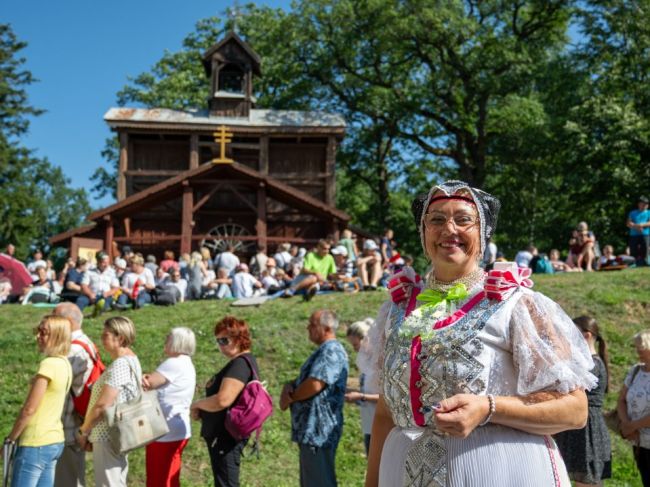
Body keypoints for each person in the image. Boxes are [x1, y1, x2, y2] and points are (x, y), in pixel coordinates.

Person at [366, 180, 596, 487]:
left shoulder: (517, 305)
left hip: (497, 470)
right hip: (403, 473)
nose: (449, 229)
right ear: (423, 233)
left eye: (463, 220)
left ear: (483, 232)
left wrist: (489, 408)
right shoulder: (396, 311)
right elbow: (386, 412)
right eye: (436, 220)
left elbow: (575, 410)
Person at [280, 310, 349, 487]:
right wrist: (291, 385)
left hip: (318, 430)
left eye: (312, 324)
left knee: (319, 481)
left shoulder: (331, 350)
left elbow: (316, 384)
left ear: (326, 328)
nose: (308, 327)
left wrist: (292, 397)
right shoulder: (325, 350)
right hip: (312, 431)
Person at [191, 316, 260, 487]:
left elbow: (223, 400)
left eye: (224, 340)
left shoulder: (240, 365)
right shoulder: (242, 363)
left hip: (225, 437)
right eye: (217, 341)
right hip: (225, 436)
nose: (220, 345)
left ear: (240, 338)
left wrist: (197, 404)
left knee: (226, 483)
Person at [5, 315, 72, 487]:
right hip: (54, 440)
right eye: (38, 331)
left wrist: (11, 438)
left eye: (44, 333)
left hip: (36, 441)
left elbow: (29, 409)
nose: (38, 337)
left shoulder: (48, 365)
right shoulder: (65, 364)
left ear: (57, 336)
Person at [77, 316, 142, 487]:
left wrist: (84, 431)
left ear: (119, 338)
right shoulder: (131, 360)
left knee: (108, 484)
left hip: (108, 434)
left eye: (105, 335)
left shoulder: (120, 364)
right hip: (118, 433)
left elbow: (103, 404)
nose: (101, 338)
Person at [554, 316, 611, 486]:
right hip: (581, 429)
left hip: (588, 431)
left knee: (587, 482)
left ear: (586, 336)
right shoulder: (588, 362)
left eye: (574, 333)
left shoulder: (592, 364)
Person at [53, 303, 100, 487]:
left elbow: (58, 389)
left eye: (55, 317)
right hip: (77, 422)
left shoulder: (72, 349)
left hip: (67, 427)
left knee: (68, 480)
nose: (51, 322)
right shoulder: (86, 343)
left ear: (68, 322)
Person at [142, 327, 196, 487]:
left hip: (164, 430)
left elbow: (149, 384)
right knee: (171, 477)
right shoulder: (186, 363)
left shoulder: (173, 363)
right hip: (178, 428)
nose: (165, 341)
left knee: (157, 479)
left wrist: (143, 377)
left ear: (177, 342)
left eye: (168, 338)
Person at [617, 329, 650, 486]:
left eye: (642, 347)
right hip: (639, 442)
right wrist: (626, 424)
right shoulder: (636, 370)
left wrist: (632, 426)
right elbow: (621, 400)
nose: (638, 351)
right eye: (637, 347)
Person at [344, 318, 379, 454]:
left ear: (365, 339)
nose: (355, 349)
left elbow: (387, 397)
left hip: (380, 426)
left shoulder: (378, 364)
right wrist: (355, 395)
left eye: (355, 345)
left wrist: (361, 396)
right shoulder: (366, 364)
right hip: (368, 425)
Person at [627, 195, 650, 267]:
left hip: (645, 234)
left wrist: (642, 225)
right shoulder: (632, 213)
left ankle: (645, 262)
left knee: (645, 248)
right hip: (634, 234)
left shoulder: (649, 212)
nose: (644, 205)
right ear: (639, 204)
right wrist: (637, 227)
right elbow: (628, 223)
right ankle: (633, 263)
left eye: (646, 204)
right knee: (633, 248)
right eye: (643, 203)